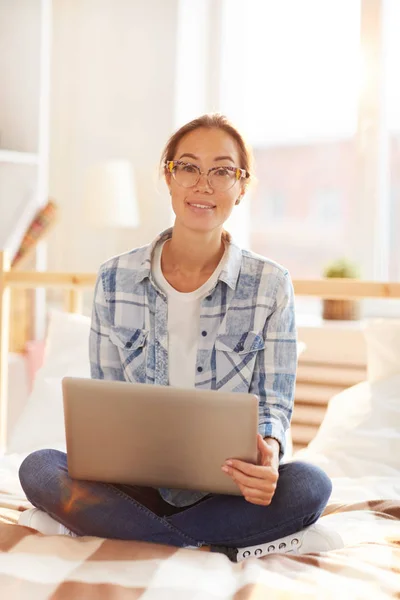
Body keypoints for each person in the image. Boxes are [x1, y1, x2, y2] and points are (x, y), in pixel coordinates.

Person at [18, 114, 342, 562]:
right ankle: (208, 544)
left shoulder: (270, 284)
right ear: (168, 177)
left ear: (241, 186)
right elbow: (108, 401)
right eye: (188, 167)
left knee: (310, 484)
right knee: (38, 468)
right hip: (134, 487)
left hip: (227, 491)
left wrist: (267, 453)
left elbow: (273, 404)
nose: (203, 184)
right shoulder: (115, 278)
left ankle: (129, 533)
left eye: (222, 170)